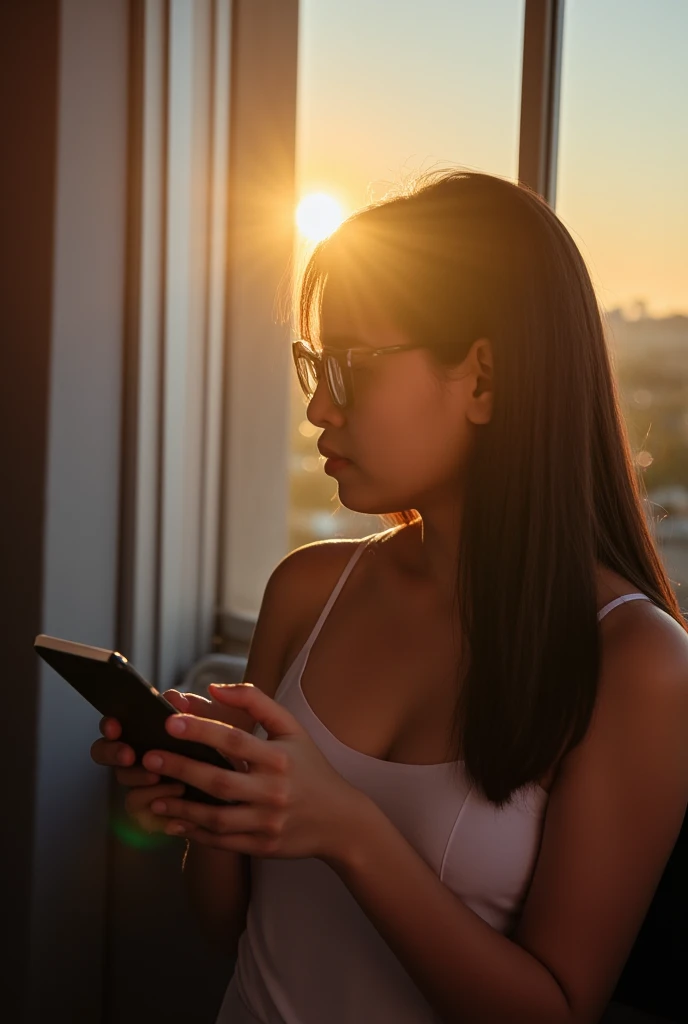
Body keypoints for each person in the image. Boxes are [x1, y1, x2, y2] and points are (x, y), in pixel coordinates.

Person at [91, 169, 688, 1024]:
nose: (318, 409)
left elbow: (557, 1008)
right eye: (312, 365)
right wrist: (212, 801)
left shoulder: (637, 663)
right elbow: (230, 929)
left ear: (483, 379)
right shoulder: (308, 590)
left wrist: (351, 832)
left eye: (350, 367)